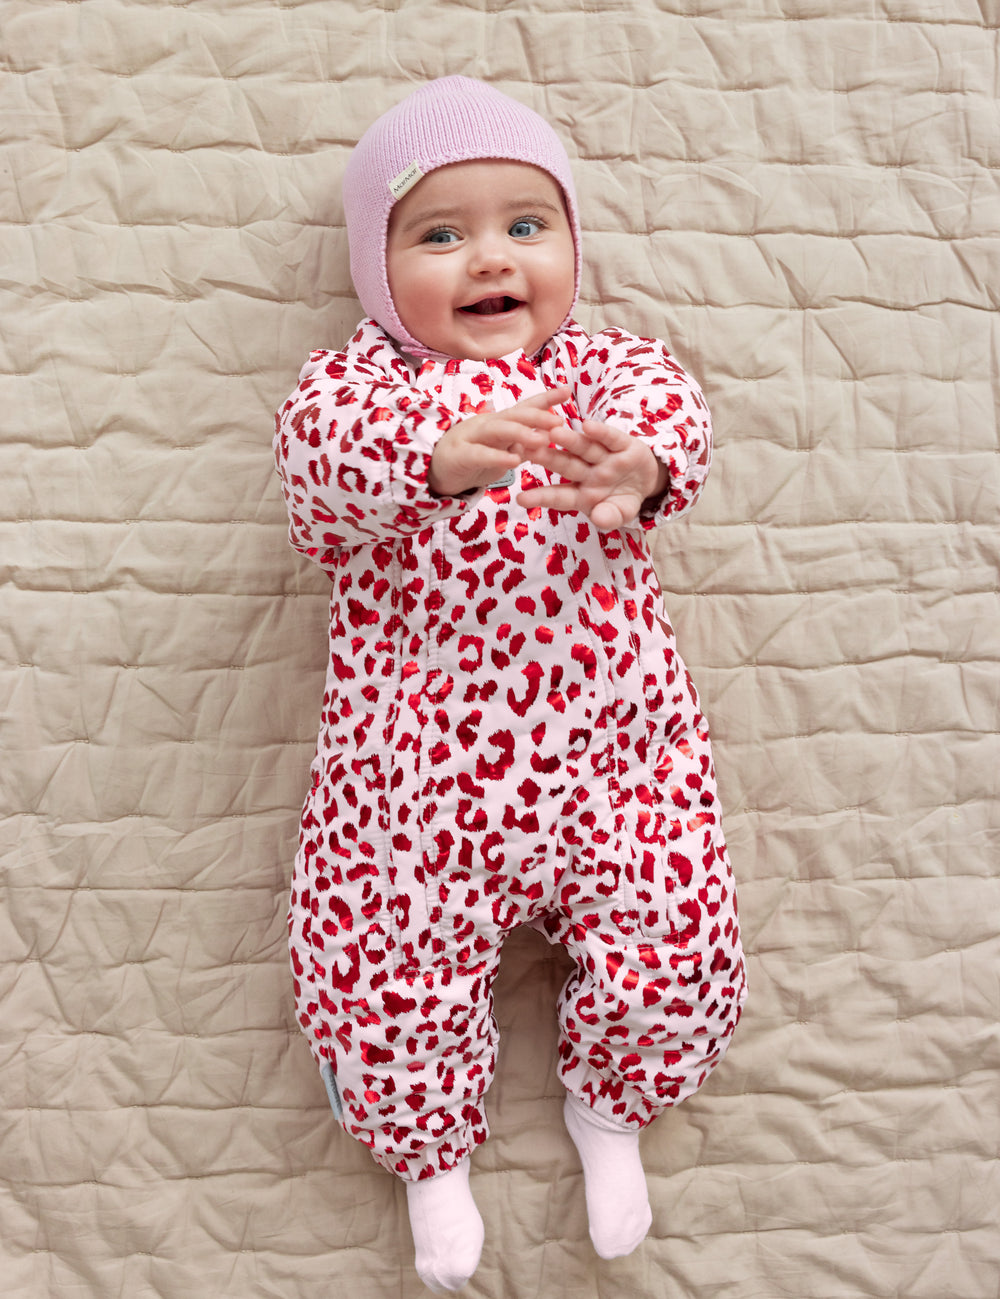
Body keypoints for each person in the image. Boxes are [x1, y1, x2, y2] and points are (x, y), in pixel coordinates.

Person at [273, 75, 746, 1294]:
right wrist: (425, 461)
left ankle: (613, 1111)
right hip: (416, 771)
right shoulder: (359, 388)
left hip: (614, 754)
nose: (491, 257)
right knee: (383, 956)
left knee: (672, 929)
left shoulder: (600, 369)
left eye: (526, 226)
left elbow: (673, 413)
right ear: (380, 277)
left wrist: (640, 467)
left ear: (570, 248)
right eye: (441, 235)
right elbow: (316, 481)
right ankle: (429, 1158)